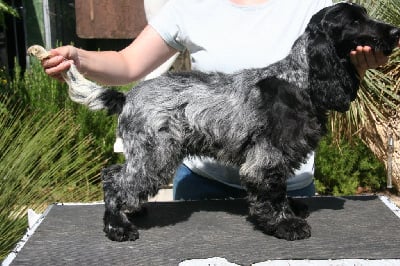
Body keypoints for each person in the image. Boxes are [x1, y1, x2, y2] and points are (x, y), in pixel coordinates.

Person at [42, 0, 392, 200]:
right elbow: (129, 63)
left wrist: (363, 64)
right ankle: (121, 187)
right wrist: (79, 59)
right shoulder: (190, 5)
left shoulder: (314, 5)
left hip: (289, 189)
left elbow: (331, 76)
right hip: (203, 188)